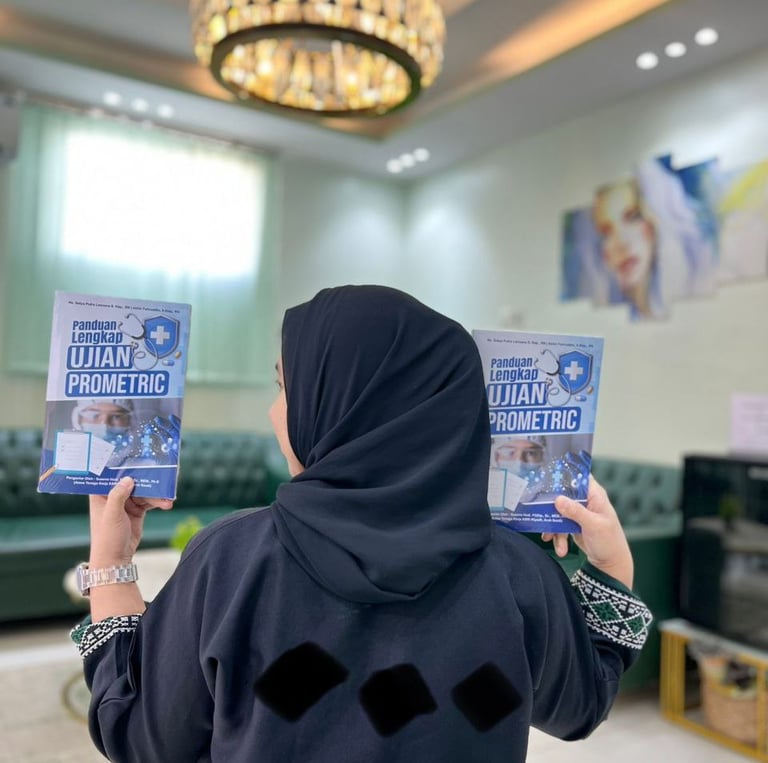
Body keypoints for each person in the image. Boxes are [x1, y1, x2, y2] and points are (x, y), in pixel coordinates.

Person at [71, 285, 651, 762]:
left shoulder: (229, 561)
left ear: (337, 404)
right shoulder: (519, 571)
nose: (273, 410)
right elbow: (579, 709)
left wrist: (111, 566)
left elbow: (142, 739)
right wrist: (611, 566)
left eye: (284, 387)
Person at [71, 398, 180, 467]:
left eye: (116, 416)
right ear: (78, 419)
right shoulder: (67, 467)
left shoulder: (147, 466)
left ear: (130, 422)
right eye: (94, 415)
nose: (105, 424)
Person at [492, 434, 591, 503]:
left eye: (531, 453)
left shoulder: (552, 502)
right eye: (509, 452)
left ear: (543, 457)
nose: (519, 462)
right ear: (495, 457)